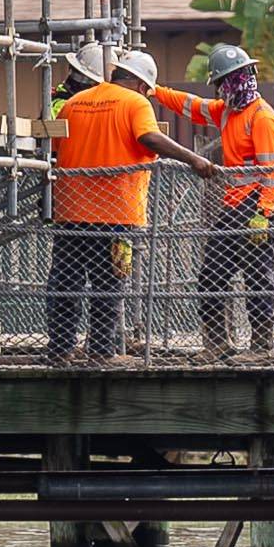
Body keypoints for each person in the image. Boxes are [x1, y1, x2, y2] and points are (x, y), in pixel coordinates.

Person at [50, 49, 218, 363]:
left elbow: (59, 147)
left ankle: (60, 351)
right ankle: (101, 352)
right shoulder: (135, 103)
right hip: (116, 214)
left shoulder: (73, 103)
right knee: (109, 283)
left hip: (70, 211)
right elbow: (149, 137)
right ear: (142, 85)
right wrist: (194, 158)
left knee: (66, 282)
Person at [146, 43, 274, 358]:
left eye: (235, 78)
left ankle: (262, 348)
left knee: (257, 275)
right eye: (225, 81)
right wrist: (156, 91)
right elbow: (190, 105)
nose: (230, 86)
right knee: (211, 276)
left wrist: (263, 213)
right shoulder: (227, 111)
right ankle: (216, 344)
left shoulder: (262, 118)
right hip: (234, 207)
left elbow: (273, 172)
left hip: (256, 208)